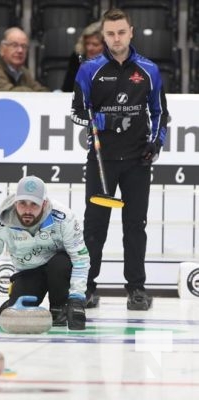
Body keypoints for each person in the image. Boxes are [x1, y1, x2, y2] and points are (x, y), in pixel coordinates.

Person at [70, 9, 169, 310]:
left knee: (135, 226)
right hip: (102, 160)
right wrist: (109, 122)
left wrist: (157, 143)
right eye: (111, 33)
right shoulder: (89, 69)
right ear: (104, 36)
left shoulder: (149, 70)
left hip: (138, 162)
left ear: (131, 32)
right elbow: (77, 112)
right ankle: (86, 288)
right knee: (95, 226)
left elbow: (161, 113)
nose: (116, 38)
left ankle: (136, 289)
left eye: (121, 32)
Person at [0, 176, 89, 331]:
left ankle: (59, 307)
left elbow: (80, 259)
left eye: (34, 204)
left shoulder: (64, 218)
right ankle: (14, 302)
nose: (27, 210)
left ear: (44, 203)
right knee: (13, 313)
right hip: (29, 272)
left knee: (60, 264)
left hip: (59, 268)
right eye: (22, 203)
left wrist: (77, 299)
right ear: (15, 202)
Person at [0, 27, 50, 92]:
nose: (20, 50)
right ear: (2, 49)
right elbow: (12, 95)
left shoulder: (23, 71)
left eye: (24, 46)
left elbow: (40, 90)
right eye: (14, 45)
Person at [61, 21, 103, 93]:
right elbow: (67, 88)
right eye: (87, 43)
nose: (89, 48)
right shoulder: (77, 57)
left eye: (95, 44)